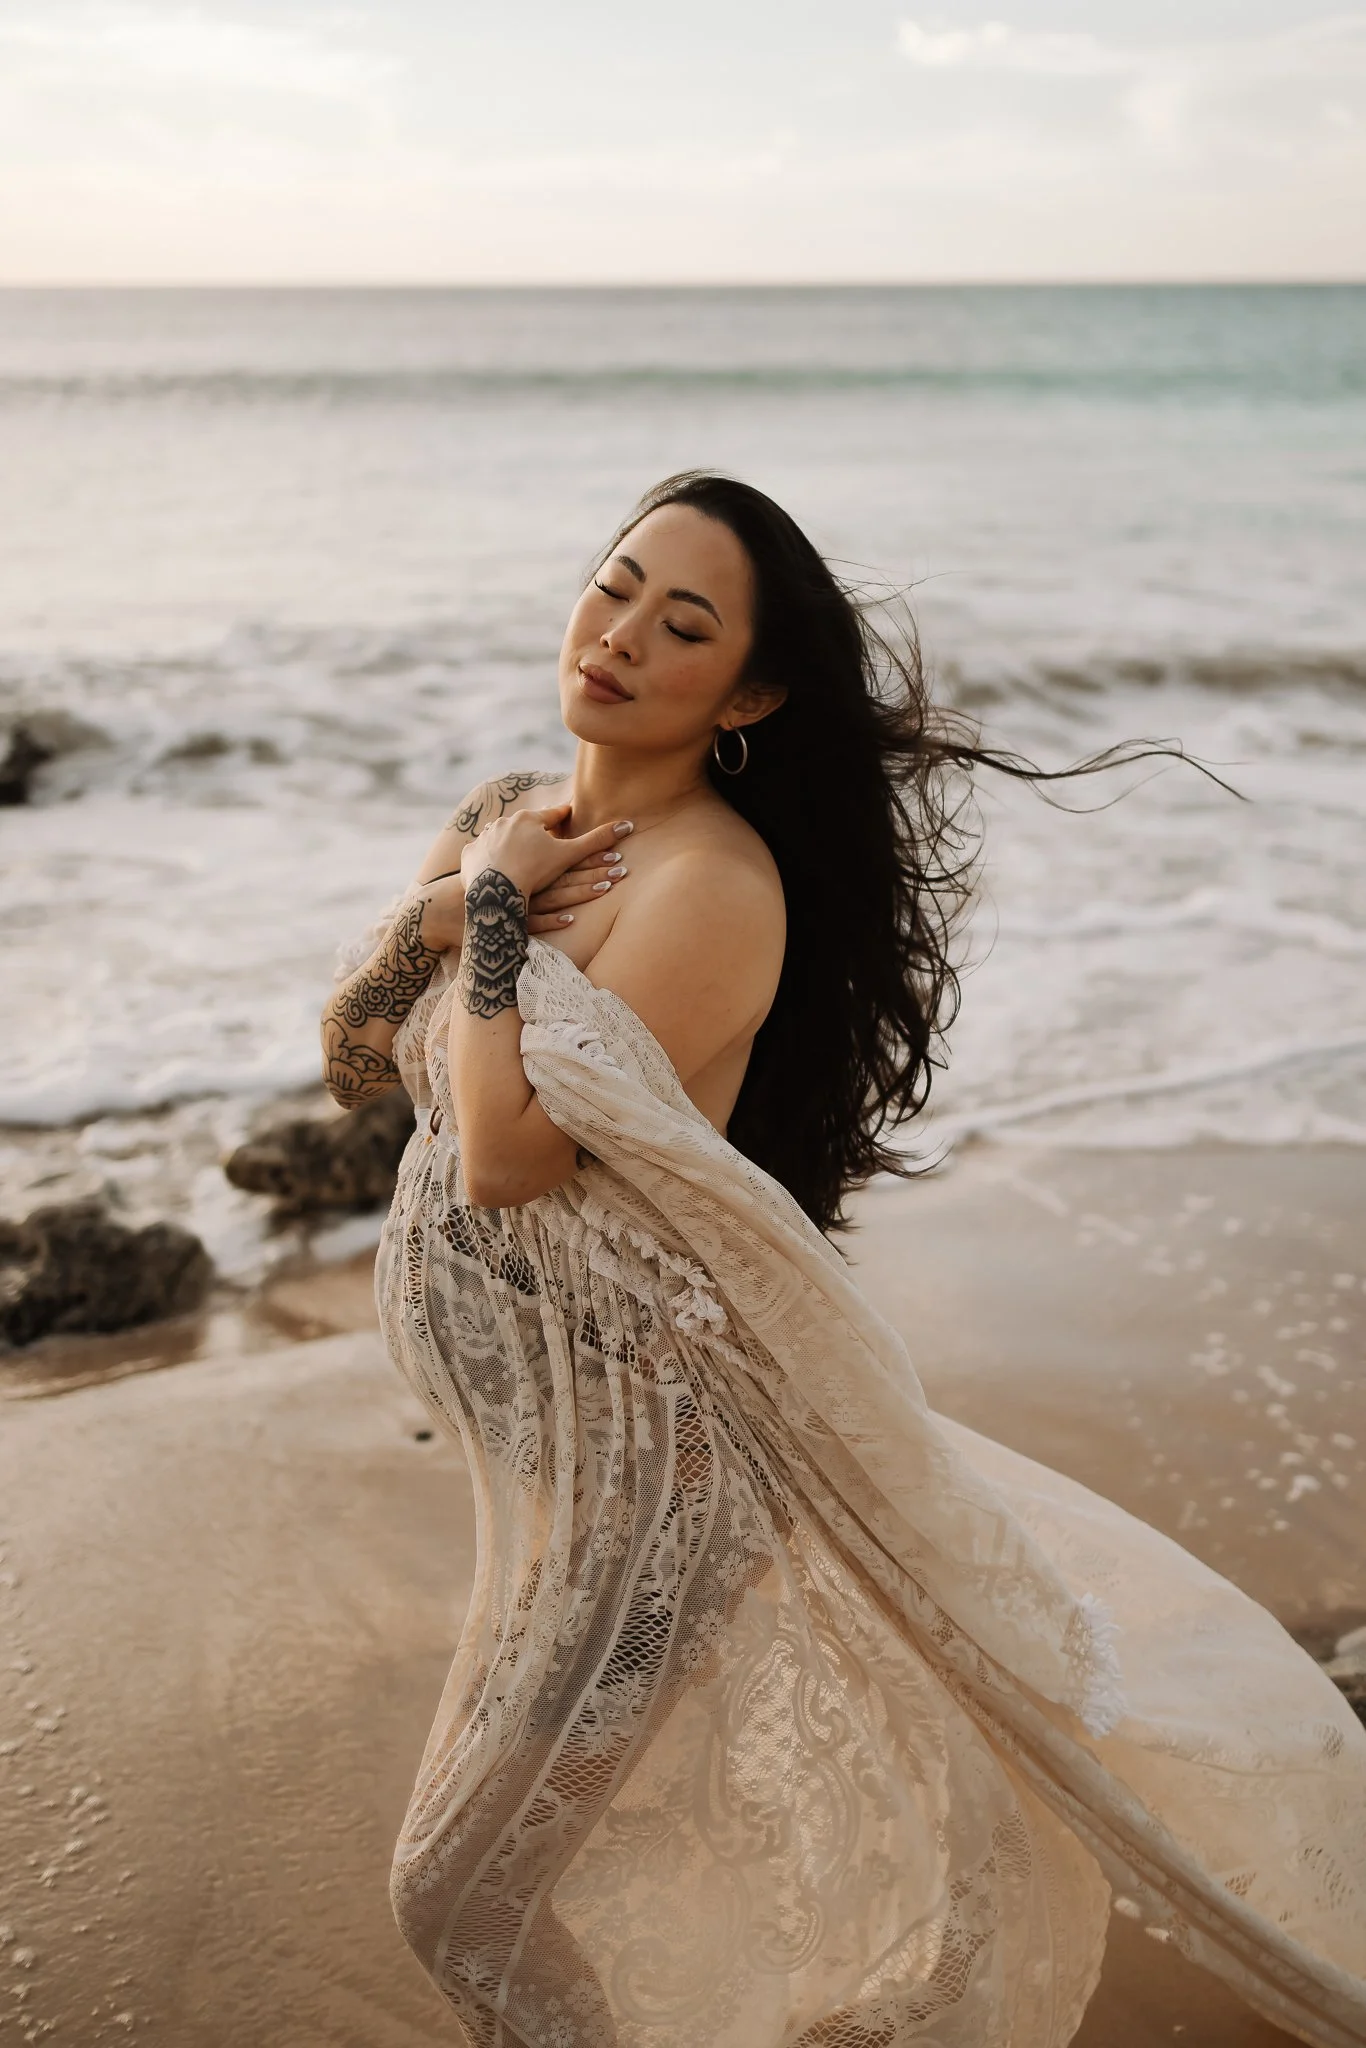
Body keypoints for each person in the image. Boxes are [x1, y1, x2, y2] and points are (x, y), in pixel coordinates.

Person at [321, 473, 1366, 2048]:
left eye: (680, 626)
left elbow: (509, 1155)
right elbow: (345, 1056)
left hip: (658, 1487)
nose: (616, 638)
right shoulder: (502, 815)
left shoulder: (711, 890)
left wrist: (486, 925)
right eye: (613, 588)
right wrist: (468, 891)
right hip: (548, 1465)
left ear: (742, 692)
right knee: (534, 1884)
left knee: (455, 1895)